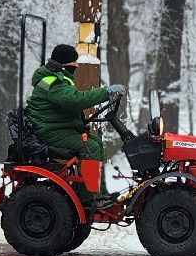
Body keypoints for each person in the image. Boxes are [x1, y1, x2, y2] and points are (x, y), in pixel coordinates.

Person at [25, 44, 125, 200]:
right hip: (50, 131)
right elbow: (75, 100)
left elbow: (66, 104)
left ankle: (100, 191)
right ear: (64, 65)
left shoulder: (53, 78)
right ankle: (90, 197)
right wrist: (106, 92)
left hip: (55, 127)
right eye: (74, 63)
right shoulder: (54, 82)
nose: (77, 66)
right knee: (90, 147)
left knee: (96, 142)